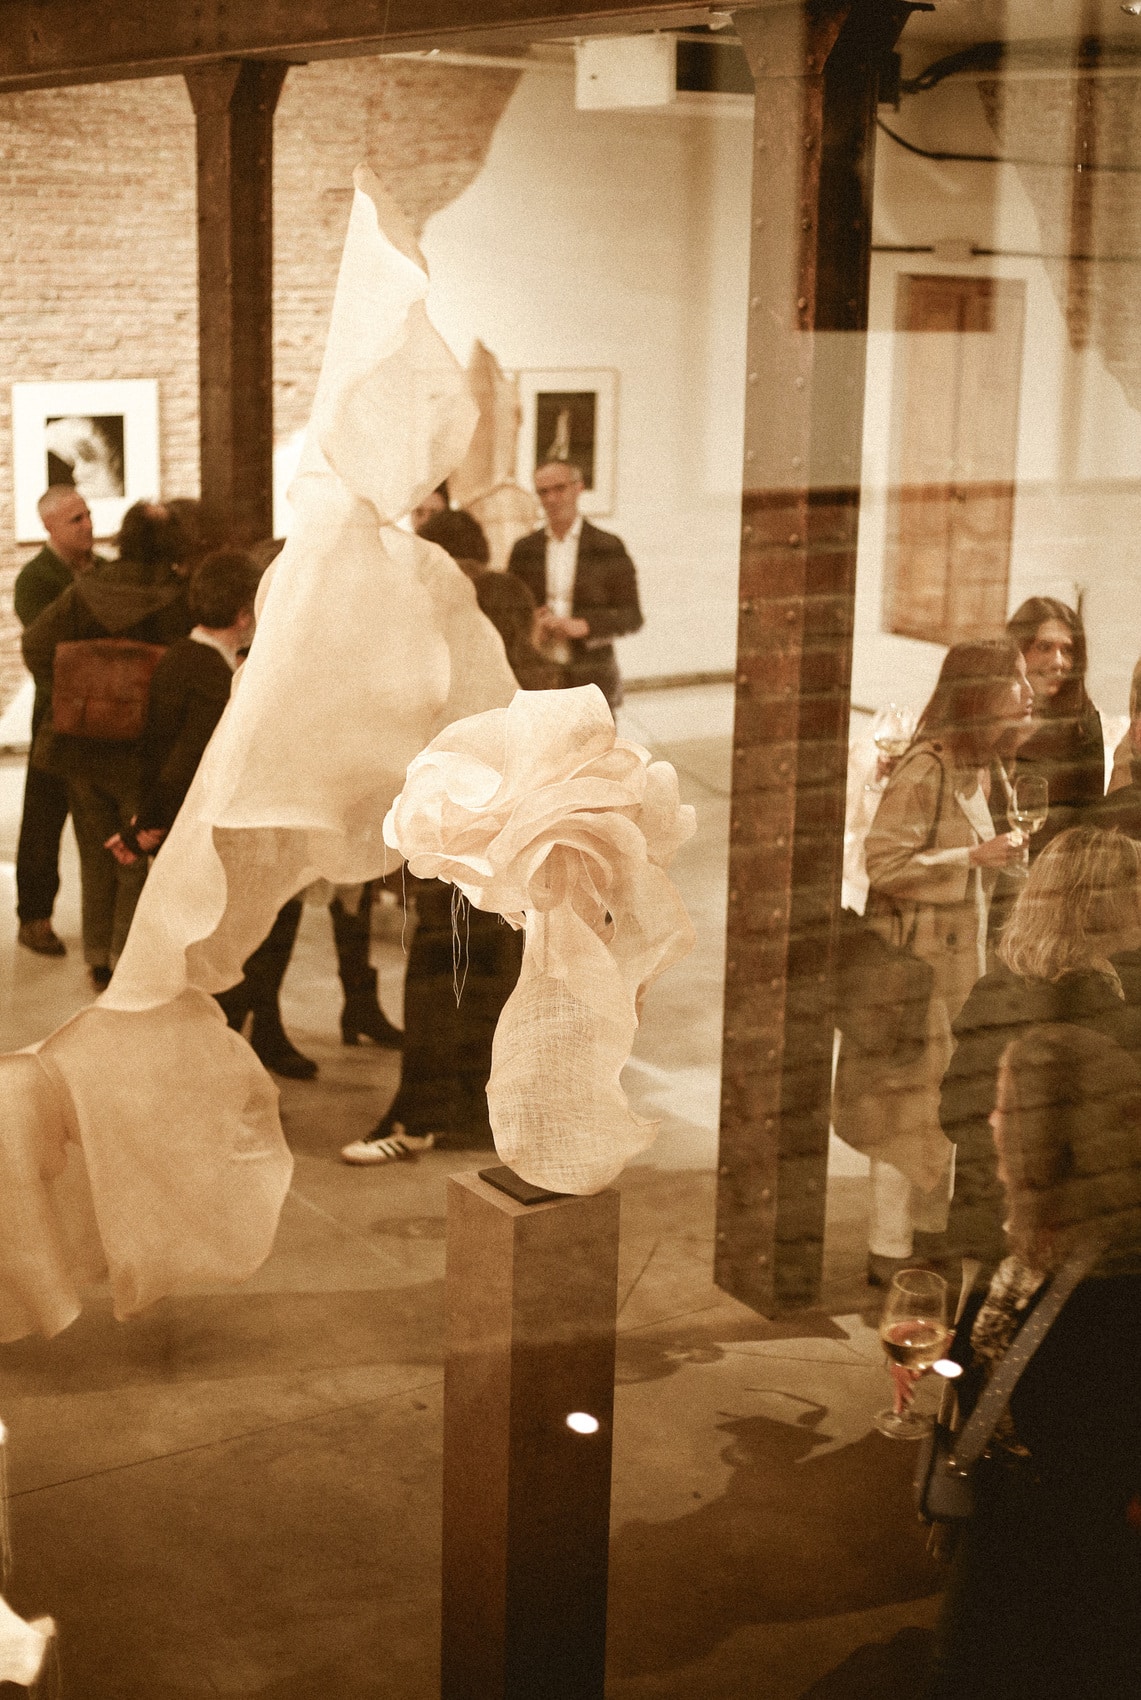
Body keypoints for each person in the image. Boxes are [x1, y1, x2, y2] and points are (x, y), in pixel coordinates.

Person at [923, 1024, 1141, 1700]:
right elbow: (1002, 1350)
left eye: (1005, 1107)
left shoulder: (1119, 1269)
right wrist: (943, 1369)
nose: (991, 1121)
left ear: (1049, 1137)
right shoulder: (1027, 1223)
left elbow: (1088, 1411)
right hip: (1001, 1513)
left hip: (1073, 1547)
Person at [340, 537, 559, 1164]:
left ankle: (419, 1116)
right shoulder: (544, 684)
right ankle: (478, 1114)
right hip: (519, 873)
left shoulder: (472, 693)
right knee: (494, 992)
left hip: (463, 868)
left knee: (441, 989)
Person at [832, 641, 1031, 1284]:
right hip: (919, 967)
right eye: (1016, 681)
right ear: (980, 695)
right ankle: (887, 1250)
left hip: (965, 961)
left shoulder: (988, 766)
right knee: (904, 1109)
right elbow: (883, 864)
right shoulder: (926, 768)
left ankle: (924, 1233)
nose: (1028, 693)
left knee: (944, 1102)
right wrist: (971, 860)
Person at [939, 825, 1141, 1276]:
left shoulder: (998, 987)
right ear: (1100, 906)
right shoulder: (1094, 1014)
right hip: (1057, 1248)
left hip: (994, 1225)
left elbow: (954, 1113)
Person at [21, 500, 191, 985]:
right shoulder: (179, 600)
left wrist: (74, 690)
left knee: (96, 855)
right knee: (135, 854)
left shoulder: (87, 590)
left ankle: (98, 955)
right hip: (144, 749)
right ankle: (125, 961)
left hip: (81, 745)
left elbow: (36, 645)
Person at [12, 486, 102, 956]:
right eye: (75, 520)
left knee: (100, 821)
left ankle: (105, 928)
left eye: (87, 515)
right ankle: (34, 918)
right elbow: (51, 645)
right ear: (49, 527)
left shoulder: (104, 570)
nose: (88, 525)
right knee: (44, 819)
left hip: (103, 714)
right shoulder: (35, 578)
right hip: (55, 714)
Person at [507, 458, 642, 709]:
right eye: (543, 492)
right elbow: (508, 613)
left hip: (592, 675)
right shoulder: (524, 550)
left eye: (560, 488)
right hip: (537, 677)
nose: (551, 499)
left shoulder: (607, 547)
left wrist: (584, 626)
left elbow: (632, 616)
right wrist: (531, 623)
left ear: (579, 487)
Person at [1006, 597, 1104, 853]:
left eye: (1067, 650)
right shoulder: (989, 709)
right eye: (1044, 647)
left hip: (1047, 864)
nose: (1058, 662)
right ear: (1018, 648)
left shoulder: (1083, 721)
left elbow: (1090, 819)